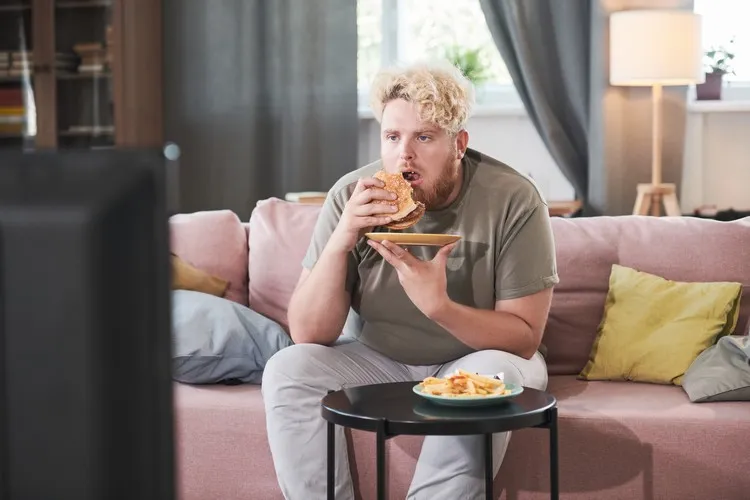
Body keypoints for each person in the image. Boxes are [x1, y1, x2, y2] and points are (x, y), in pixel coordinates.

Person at [262, 60, 559, 500]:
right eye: (392, 137)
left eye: (424, 137)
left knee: (489, 376)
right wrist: (342, 239)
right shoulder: (352, 196)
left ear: (458, 144)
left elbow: (524, 338)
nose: (405, 154)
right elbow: (308, 333)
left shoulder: (514, 199)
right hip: (380, 359)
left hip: (478, 358)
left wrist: (439, 307)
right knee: (287, 368)